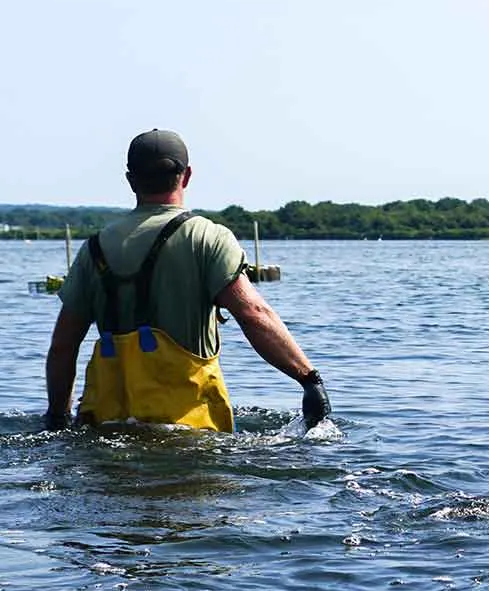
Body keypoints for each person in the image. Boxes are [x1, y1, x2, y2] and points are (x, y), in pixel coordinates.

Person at [44, 129, 332, 433]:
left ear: (130, 180)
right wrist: (309, 379)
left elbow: (63, 346)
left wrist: (58, 417)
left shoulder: (95, 248)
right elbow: (254, 315)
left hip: (105, 424)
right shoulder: (208, 237)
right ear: (187, 175)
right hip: (187, 427)